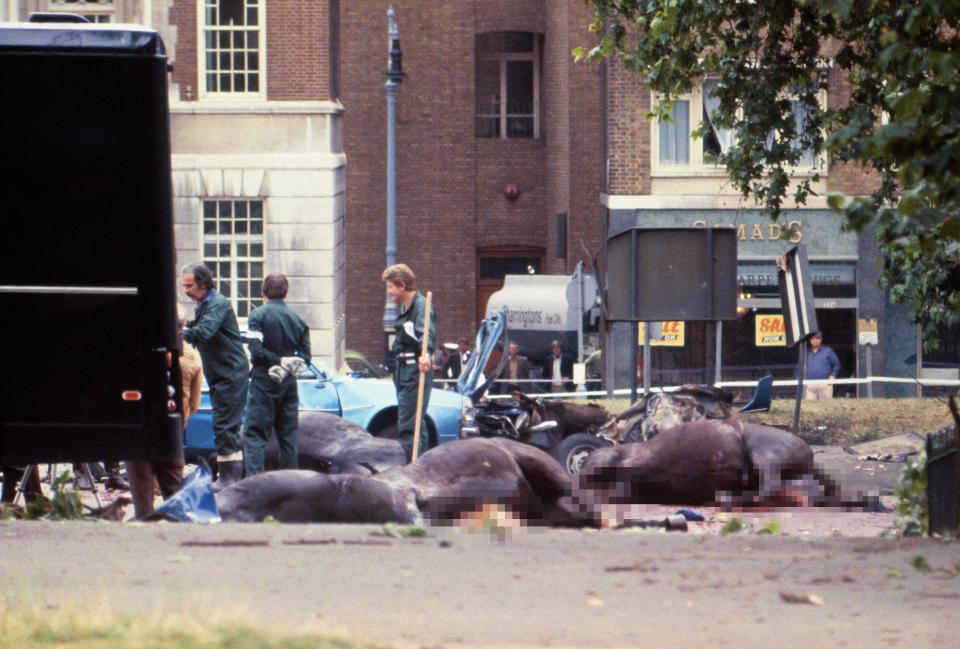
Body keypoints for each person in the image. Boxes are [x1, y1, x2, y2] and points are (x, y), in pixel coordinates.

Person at [181, 262, 249, 491]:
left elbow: (205, 331)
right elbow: (198, 326)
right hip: (222, 373)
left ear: (202, 283)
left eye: (189, 285)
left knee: (225, 425)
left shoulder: (217, 304)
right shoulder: (204, 304)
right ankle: (229, 476)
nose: (186, 290)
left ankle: (231, 479)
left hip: (230, 373)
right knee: (223, 423)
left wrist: (179, 335)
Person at [125, 315, 198, 518]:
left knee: (143, 505)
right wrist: (179, 425)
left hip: (139, 434)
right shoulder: (190, 356)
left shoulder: (137, 352)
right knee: (177, 501)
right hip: (170, 432)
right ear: (180, 328)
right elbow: (193, 400)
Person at [243, 273, 312, 478]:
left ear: (263, 292)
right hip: (289, 384)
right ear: (286, 292)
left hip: (264, 381)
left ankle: (256, 484)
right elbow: (306, 358)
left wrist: (276, 361)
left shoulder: (257, 316)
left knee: (255, 435)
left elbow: (255, 349)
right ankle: (291, 485)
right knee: (288, 437)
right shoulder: (298, 320)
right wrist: (286, 366)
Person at [383, 264, 435, 461]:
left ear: (402, 286)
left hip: (414, 371)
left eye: (390, 287)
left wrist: (426, 355)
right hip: (403, 370)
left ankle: (410, 469)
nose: (389, 292)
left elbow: (426, 333)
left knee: (408, 425)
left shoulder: (421, 306)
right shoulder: (406, 306)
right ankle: (420, 465)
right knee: (415, 423)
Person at [805, 332, 841, 400]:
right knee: (809, 408)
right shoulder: (806, 352)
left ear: (821, 340)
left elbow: (837, 365)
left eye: (817, 338)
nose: (815, 340)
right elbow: (799, 367)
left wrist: (833, 375)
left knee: (826, 407)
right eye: (813, 338)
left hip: (825, 385)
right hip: (809, 386)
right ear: (810, 340)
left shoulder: (828, 351)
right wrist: (801, 380)